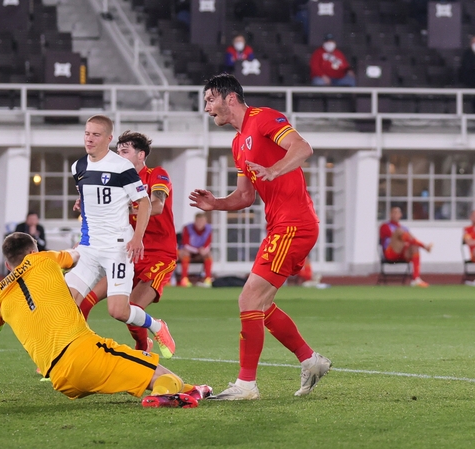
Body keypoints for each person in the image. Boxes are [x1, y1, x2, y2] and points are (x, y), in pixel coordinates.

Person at [189, 73, 332, 400]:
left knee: (248, 299)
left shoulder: (264, 118)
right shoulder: (238, 142)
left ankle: (246, 385)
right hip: (280, 226)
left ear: (230, 98)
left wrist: (277, 169)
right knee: (261, 305)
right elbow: (245, 196)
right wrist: (217, 204)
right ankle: (311, 360)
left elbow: (302, 147)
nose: (207, 108)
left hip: (294, 223)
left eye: (210, 100)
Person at [0, 232, 212, 408]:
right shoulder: (43, 259)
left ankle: (195, 390)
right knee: (165, 377)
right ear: (32, 252)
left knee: (143, 368)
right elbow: (79, 254)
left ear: (7, 264)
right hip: (85, 354)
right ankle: (167, 394)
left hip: (60, 379)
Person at [66, 115, 177, 359]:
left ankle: (142, 346)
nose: (119, 154)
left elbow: (155, 206)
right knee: (81, 301)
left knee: (128, 309)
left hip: (157, 252)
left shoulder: (157, 174)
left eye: (125, 151)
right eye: (118, 150)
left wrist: (118, 206)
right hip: (119, 249)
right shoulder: (94, 170)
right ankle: (70, 352)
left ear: (141, 155)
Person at [379, 206, 433, 287]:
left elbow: (411, 239)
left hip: (403, 254)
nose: (395, 215)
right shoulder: (385, 226)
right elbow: (396, 237)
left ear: (400, 215)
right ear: (390, 214)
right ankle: (425, 246)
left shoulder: (404, 228)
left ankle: (416, 279)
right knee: (399, 231)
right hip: (391, 252)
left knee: (414, 247)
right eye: (394, 213)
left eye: (397, 213)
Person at [178, 212, 213, 287]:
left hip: (201, 251)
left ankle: (208, 279)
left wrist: (204, 250)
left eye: (202, 221)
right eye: (198, 221)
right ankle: (184, 279)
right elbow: (185, 244)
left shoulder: (209, 228)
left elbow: (208, 242)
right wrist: (197, 250)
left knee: (208, 254)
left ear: (205, 222)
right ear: (195, 221)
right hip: (189, 249)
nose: (200, 223)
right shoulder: (187, 228)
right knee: (185, 253)